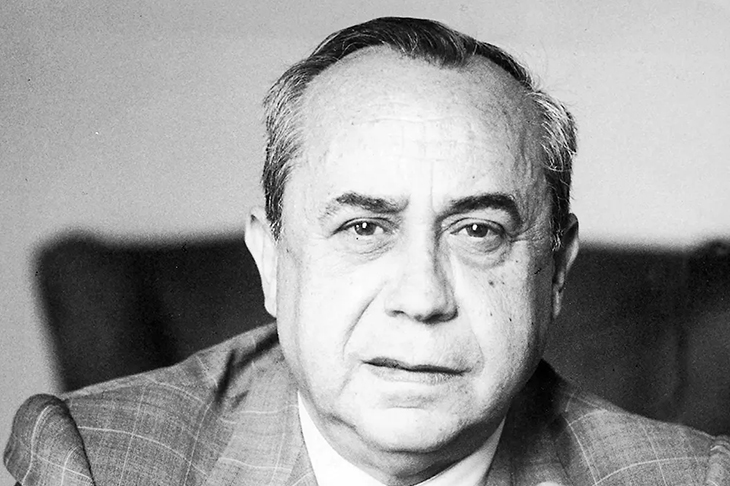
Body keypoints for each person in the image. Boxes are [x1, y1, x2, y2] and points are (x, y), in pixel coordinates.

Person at [5, 16, 729, 486]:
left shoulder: (695, 479)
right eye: (364, 228)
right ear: (270, 261)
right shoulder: (95, 463)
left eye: (478, 231)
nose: (422, 297)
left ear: (556, 272)